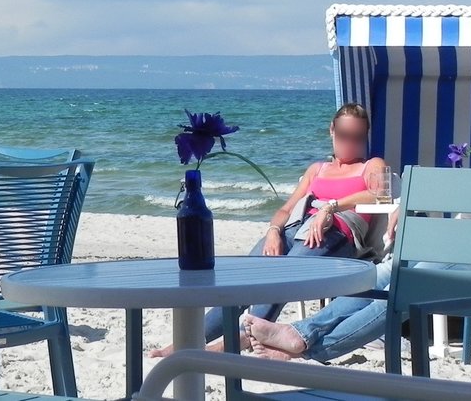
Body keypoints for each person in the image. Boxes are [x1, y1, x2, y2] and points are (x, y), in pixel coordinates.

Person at [244, 86, 471, 362]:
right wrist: (407, 203)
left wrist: (461, 232)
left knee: (408, 282)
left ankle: (308, 345)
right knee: (379, 274)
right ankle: (302, 336)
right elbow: (469, 195)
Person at [150, 103, 384, 357]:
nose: (349, 142)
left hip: (333, 235)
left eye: (357, 137)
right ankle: (191, 339)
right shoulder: (317, 169)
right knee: (243, 278)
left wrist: (331, 208)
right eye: (343, 135)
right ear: (331, 130)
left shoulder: (370, 165)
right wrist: (273, 230)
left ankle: (238, 339)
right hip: (295, 230)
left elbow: (380, 192)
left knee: (281, 276)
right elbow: (286, 210)